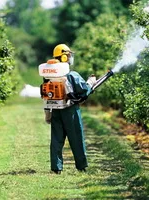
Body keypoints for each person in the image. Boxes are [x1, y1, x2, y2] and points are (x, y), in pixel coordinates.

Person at [43, 44, 96, 174]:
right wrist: (91, 82)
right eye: (69, 55)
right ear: (65, 56)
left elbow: (46, 95)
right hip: (70, 110)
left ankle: (56, 167)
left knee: (56, 139)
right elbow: (83, 90)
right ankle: (81, 166)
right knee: (76, 138)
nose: (71, 57)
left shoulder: (48, 75)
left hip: (55, 110)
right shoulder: (72, 74)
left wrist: (47, 114)